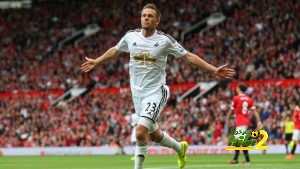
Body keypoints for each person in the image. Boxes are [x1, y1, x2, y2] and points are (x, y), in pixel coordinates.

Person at [81, 3, 235, 169]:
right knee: (153, 135)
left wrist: (213, 69)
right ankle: (179, 147)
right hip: (137, 95)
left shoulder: (164, 41)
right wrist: (97, 61)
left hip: (156, 92)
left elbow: (188, 56)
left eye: (150, 16)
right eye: (144, 15)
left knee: (140, 132)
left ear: (157, 21)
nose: (146, 18)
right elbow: (115, 50)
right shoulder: (131, 36)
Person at [227, 84, 262, 164]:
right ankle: (245, 160)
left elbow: (231, 110)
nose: (236, 89)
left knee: (239, 142)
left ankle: (238, 160)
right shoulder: (249, 99)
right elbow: (254, 111)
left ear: (239, 89)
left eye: (237, 88)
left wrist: (227, 119)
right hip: (245, 122)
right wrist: (259, 121)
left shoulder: (236, 98)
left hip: (240, 122)